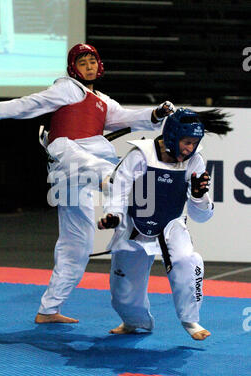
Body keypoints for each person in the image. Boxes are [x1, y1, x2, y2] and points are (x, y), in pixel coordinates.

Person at [0, 43, 175, 324]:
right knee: (111, 173)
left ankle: (48, 310)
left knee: (77, 245)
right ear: (73, 69)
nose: (89, 67)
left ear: (100, 65)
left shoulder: (104, 101)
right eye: (82, 63)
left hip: (72, 176)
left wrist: (156, 113)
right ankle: (113, 184)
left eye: (92, 61)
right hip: (69, 154)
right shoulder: (68, 89)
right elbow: (29, 104)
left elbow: (128, 117)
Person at [98, 107, 232, 340]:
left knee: (187, 260)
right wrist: (114, 216)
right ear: (172, 136)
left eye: (194, 143)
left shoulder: (194, 161)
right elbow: (117, 190)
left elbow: (202, 216)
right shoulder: (140, 155)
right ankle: (133, 322)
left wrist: (200, 196)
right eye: (186, 142)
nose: (190, 148)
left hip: (171, 225)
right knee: (123, 293)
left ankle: (191, 320)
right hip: (133, 226)